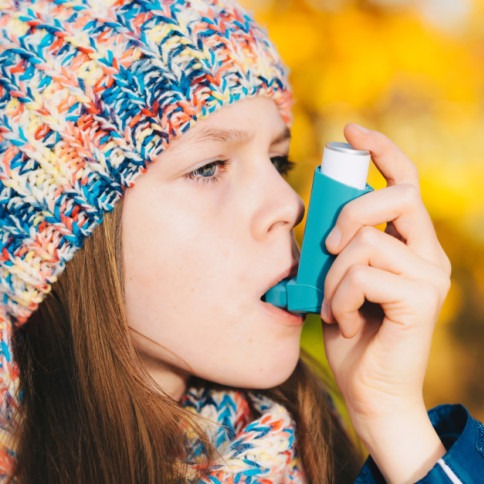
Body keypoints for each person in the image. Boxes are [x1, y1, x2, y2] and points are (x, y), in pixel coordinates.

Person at [0, 0, 482, 482]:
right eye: (208, 167)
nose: (290, 207)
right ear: (48, 242)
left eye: (278, 163)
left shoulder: (314, 452)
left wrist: (394, 421)